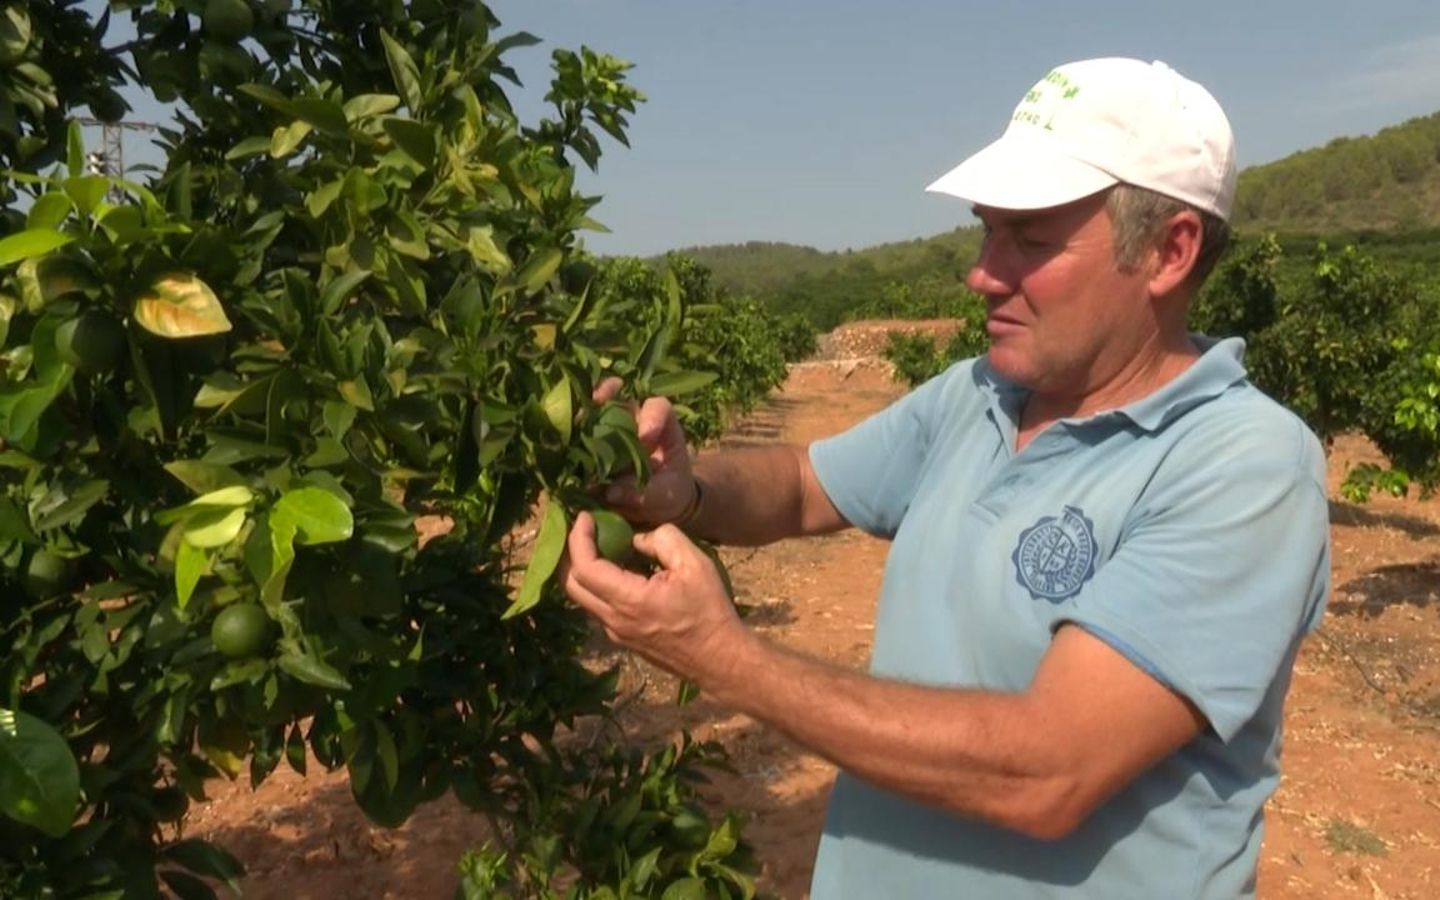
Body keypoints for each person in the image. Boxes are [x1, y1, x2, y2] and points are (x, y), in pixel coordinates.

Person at [561, 57, 1330, 899]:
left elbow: (1048, 771)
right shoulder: (977, 395)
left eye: (1030, 239)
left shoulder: (1244, 465)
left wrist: (724, 659)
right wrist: (685, 489)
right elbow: (802, 484)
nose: (982, 270)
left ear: (1169, 251)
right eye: (986, 230)